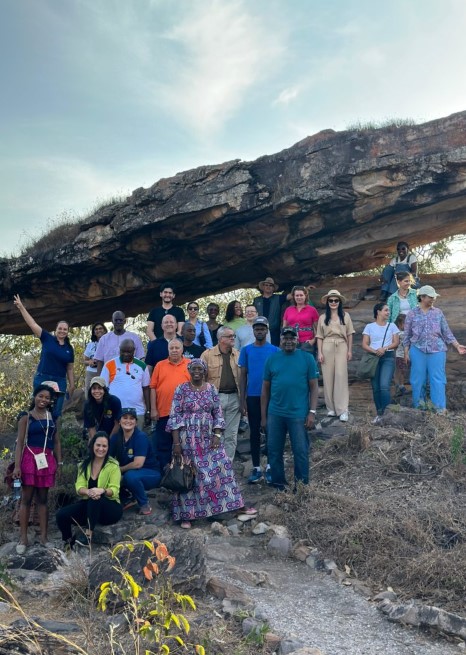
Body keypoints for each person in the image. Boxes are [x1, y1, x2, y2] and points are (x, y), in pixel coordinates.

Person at [167, 359, 246, 529]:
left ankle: (215, 510)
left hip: (208, 437)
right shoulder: (181, 389)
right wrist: (176, 443)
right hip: (187, 438)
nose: (197, 371)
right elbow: (175, 416)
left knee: (219, 468)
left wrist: (217, 434)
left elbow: (218, 413)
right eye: (193, 369)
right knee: (189, 474)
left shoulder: (211, 389)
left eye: (200, 369)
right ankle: (187, 515)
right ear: (189, 371)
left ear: (204, 372)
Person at [261, 327, 319, 491]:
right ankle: (279, 485)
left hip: (298, 414)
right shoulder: (272, 359)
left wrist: (312, 412)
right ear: (280, 340)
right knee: (274, 451)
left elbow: (314, 387)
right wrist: (264, 417)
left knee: (300, 451)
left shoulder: (307, 358)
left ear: (297, 339)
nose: (288, 341)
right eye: (285, 338)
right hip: (275, 413)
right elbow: (265, 390)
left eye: (292, 338)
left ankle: (301, 487)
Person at [13, 384, 62, 553]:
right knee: (26, 499)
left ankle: (44, 538)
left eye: (47, 398)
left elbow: (56, 442)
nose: (43, 400)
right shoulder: (26, 417)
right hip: (29, 458)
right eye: (40, 396)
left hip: (46, 458)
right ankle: (23, 539)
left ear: (50, 401)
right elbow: (19, 443)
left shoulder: (53, 417)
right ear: (34, 396)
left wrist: (59, 463)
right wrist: (17, 466)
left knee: (43, 499)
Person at [403, 285, 466, 413]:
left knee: (438, 379)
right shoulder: (412, 314)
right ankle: (420, 409)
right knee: (417, 380)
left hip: (437, 350)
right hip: (417, 350)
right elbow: (407, 335)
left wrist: (457, 345)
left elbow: (446, 332)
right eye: (430, 297)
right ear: (422, 297)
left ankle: (439, 411)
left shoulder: (438, 313)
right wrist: (406, 352)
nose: (433, 299)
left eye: (434, 297)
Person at [55, 432, 122, 548]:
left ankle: (88, 535)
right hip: (90, 505)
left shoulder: (113, 465)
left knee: (96, 497)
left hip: (110, 508)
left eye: (104, 446)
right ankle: (68, 542)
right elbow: (79, 487)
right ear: (92, 446)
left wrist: (102, 490)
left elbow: (115, 489)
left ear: (108, 448)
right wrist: (89, 492)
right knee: (61, 514)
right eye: (98, 445)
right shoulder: (83, 465)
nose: (101, 449)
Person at [13, 294, 74, 417]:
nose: (62, 331)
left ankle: (53, 435)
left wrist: (72, 385)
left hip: (59, 381)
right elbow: (32, 324)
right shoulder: (47, 338)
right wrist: (21, 307)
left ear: (68, 331)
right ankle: (33, 433)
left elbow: (70, 368)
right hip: (42, 377)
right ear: (56, 330)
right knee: (38, 409)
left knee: (56, 412)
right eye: (60, 328)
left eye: (65, 329)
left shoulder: (69, 349)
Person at [239, 317, 279, 484]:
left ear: (267, 330)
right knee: (254, 432)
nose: (260, 331)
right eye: (257, 328)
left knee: (270, 431)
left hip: (271, 396)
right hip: (253, 396)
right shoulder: (246, 350)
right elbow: (242, 375)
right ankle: (256, 468)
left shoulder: (275, 350)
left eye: (263, 328)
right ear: (253, 331)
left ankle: (270, 466)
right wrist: (242, 399)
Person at [109, 408, 161, 515]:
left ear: (136, 422)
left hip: (151, 473)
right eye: (125, 418)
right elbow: (107, 458)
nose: (128, 421)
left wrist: (119, 470)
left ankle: (144, 504)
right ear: (119, 421)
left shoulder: (140, 437)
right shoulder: (115, 438)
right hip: (128, 471)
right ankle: (127, 498)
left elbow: (138, 464)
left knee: (130, 476)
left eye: (132, 418)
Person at [150, 339, 190, 471]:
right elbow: (153, 388)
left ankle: (186, 474)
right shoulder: (160, 365)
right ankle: (165, 474)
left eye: (177, 348)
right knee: (163, 445)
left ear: (182, 349)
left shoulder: (189, 365)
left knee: (185, 445)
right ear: (168, 350)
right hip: (164, 412)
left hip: (185, 413)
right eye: (171, 348)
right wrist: (153, 409)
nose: (174, 350)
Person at [201, 326, 241, 461]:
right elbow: (200, 379)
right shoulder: (207, 354)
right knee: (216, 433)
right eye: (229, 336)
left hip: (235, 397)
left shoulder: (238, 354)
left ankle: (227, 466)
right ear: (220, 339)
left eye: (233, 336)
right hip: (215, 398)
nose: (232, 338)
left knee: (231, 434)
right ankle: (215, 464)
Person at [316, 290, 355, 422]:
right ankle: (331, 408)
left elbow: (350, 334)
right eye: (331, 300)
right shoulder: (322, 317)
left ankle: (343, 409)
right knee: (327, 377)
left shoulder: (346, 316)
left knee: (340, 375)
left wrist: (349, 350)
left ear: (339, 302)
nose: (333, 303)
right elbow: (319, 336)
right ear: (327, 302)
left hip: (341, 345)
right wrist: (320, 352)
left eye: (336, 300)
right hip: (327, 345)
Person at [362, 303, 400, 424]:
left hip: (387, 356)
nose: (388, 313)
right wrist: (375, 351)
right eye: (386, 310)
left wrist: (384, 348)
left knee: (384, 386)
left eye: (388, 311)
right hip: (373, 357)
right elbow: (364, 344)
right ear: (378, 312)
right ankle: (379, 414)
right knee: (376, 387)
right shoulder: (369, 326)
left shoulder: (392, 326)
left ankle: (386, 414)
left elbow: (396, 343)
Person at [100, 339, 151, 430]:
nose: (126, 354)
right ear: (119, 350)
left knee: (136, 441)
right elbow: (103, 388)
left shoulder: (142, 366)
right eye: (123, 351)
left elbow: (146, 388)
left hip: (137, 411)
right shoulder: (109, 364)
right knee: (115, 440)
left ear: (134, 351)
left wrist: (148, 410)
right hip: (115, 411)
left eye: (129, 352)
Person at [83, 376, 122, 441]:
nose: (97, 391)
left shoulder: (114, 401)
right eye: (94, 388)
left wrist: (108, 442)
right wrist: (96, 442)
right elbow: (91, 427)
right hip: (97, 433)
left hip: (114, 434)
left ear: (104, 390)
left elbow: (117, 425)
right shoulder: (87, 405)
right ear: (90, 390)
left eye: (100, 388)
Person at [253, 277, 288, 346]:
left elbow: (293, 295)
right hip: (260, 330)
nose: (268, 287)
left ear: (273, 288)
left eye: (270, 285)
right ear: (263, 287)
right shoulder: (256, 300)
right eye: (266, 285)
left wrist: (306, 289)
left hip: (274, 332)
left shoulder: (279, 298)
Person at [83, 322, 108, 394]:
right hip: (91, 373)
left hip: (104, 372)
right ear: (94, 332)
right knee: (89, 393)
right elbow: (84, 361)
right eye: (96, 329)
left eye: (100, 328)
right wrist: (90, 362)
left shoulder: (109, 343)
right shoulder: (91, 344)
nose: (98, 330)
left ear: (104, 330)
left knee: (104, 392)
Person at [394, 314, 409, 397]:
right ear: (399, 324)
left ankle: (400, 385)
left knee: (403, 370)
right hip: (399, 355)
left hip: (407, 355)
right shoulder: (398, 333)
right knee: (400, 370)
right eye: (405, 324)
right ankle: (400, 385)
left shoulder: (407, 332)